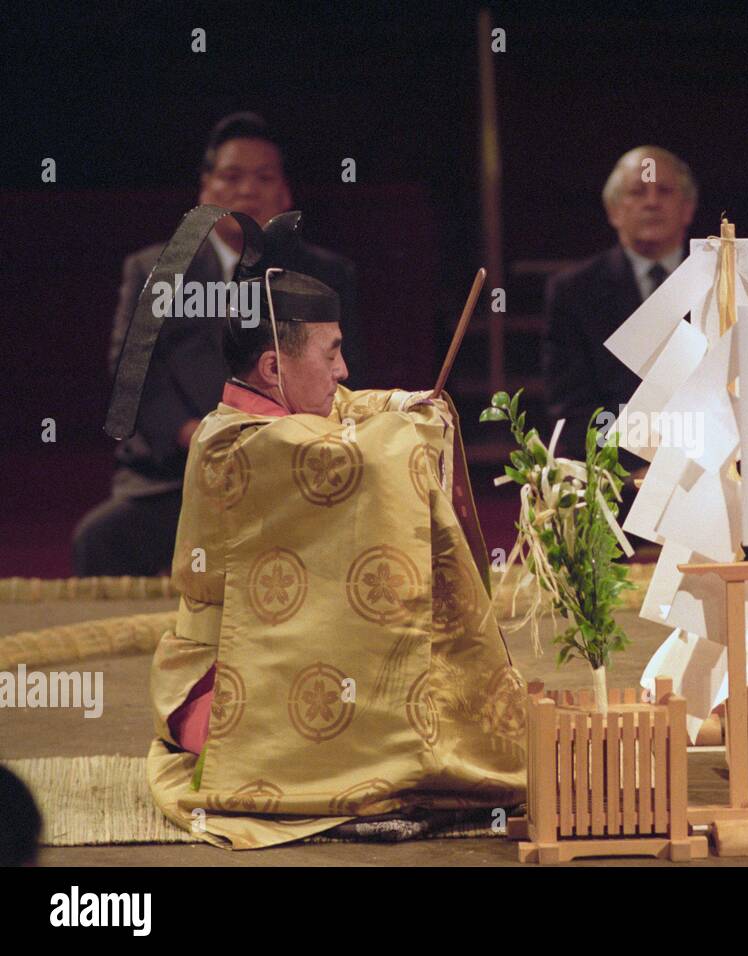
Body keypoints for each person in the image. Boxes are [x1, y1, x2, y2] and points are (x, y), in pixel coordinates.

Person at [121, 207, 524, 849]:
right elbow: (346, 455)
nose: (343, 372)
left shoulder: (276, 411)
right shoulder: (238, 444)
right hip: (225, 694)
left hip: (276, 661)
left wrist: (406, 405)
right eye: (332, 353)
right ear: (274, 371)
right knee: (400, 731)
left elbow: (352, 411)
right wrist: (416, 427)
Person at [73, 112, 365, 577]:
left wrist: (282, 441)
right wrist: (198, 437)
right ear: (205, 192)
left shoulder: (326, 275)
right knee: (100, 538)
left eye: (263, 178)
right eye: (231, 177)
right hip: (176, 478)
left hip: (290, 475)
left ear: (284, 194)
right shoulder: (155, 271)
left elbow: (346, 374)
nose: (247, 190)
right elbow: (133, 373)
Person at [543, 145, 697, 456]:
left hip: (708, 469)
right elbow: (572, 407)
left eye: (664, 191)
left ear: (688, 208)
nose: (652, 202)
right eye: (638, 192)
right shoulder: (573, 291)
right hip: (615, 479)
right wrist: (634, 471)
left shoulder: (721, 279)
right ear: (613, 210)